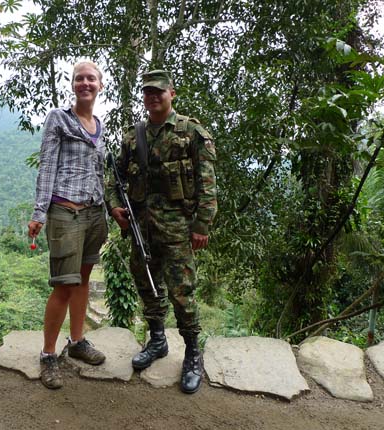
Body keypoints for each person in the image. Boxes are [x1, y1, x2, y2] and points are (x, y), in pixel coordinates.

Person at [105, 69, 217, 394]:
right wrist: (114, 206)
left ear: (172, 93)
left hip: (178, 230)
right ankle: (157, 340)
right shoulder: (132, 136)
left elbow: (208, 184)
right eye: (147, 92)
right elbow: (113, 178)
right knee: (147, 286)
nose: (153, 97)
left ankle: (193, 353)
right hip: (142, 229)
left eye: (159, 91)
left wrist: (202, 225)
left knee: (182, 292)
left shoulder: (191, 133)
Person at [28, 61, 108, 390]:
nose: (85, 83)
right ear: (72, 85)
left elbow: (100, 174)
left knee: (84, 280)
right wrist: (39, 213)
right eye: (79, 79)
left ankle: (77, 342)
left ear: (101, 85)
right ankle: (48, 354)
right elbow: (47, 166)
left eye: (91, 78)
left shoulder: (100, 125)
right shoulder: (58, 119)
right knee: (63, 285)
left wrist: (110, 209)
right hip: (65, 212)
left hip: (94, 214)